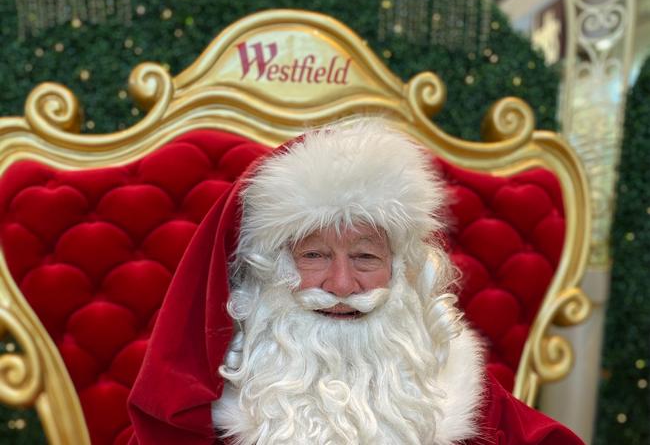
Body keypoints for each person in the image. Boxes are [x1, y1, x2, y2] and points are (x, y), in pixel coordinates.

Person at [128, 119, 584, 444]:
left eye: (366, 256)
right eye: (314, 255)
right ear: (264, 268)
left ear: (405, 269)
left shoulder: (451, 387)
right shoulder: (195, 420)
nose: (342, 284)